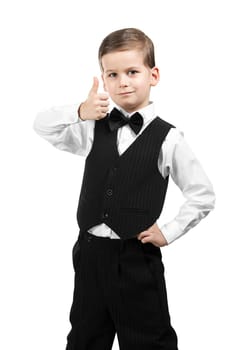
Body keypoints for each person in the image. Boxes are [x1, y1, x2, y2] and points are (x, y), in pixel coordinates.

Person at [33, 28, 215, 350]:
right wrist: (79, 111)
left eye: (132, 72)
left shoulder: (168, 138)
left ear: (153, 75)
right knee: (85, 338)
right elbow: (42, 125)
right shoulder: (92, 128)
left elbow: (202, 193)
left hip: (136, 257)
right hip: (89, 253)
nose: (123, 82)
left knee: (149, 340)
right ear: (103, 80)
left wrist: (169, 232)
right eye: (112, 74)